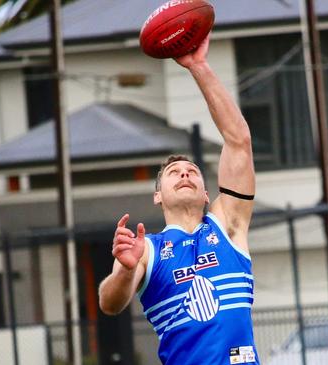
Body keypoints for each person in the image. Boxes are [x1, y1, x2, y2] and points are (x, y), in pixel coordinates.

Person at [98, 34, 260, 365]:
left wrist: (198, 66)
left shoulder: (228, 225)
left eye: (192, 171)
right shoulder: (145, 249)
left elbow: (238, 140)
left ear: (206, 192)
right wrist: (126, 273)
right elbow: (109, 303)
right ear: (158, 195)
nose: (184, 174)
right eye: (174, 173)